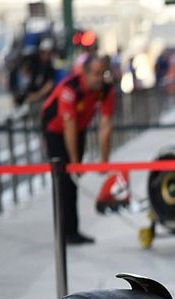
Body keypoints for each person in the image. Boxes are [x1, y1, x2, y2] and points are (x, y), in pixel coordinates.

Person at [40, 55, 115, 245]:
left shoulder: (106, 90)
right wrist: (74, 162)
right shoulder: (70, 89)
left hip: (78, 129)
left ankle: (72, 231)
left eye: (103, 73)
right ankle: (63, 233)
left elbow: (105, 125)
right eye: (96, 74)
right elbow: (68, 125)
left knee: (73, 182)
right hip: (55, 129)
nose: (100, 78)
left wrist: (104, 161)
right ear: (86, 73)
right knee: (64, 181)